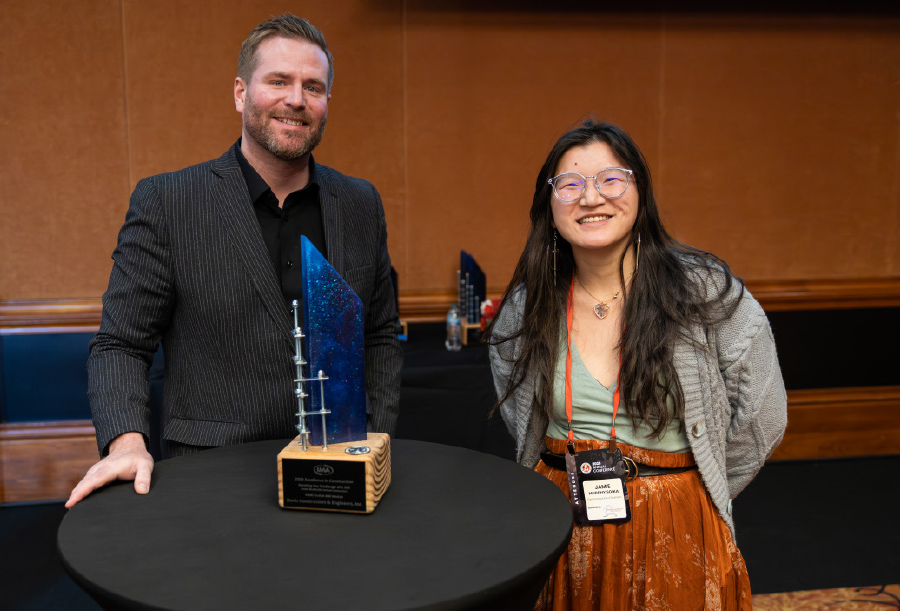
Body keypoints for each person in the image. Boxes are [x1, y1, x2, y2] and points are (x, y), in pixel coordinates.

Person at [66, 14, 402, 508]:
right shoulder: (169, 201)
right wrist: (126, 441)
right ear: (242, 93)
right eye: (279, 81)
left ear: (327, 102)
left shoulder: (360, 203)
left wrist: (378, 439)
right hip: (210, 478)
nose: (297, 99)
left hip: (338, 473)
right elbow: (121, 344)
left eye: (314, 86)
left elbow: (379, 335)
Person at [487, 121, 787, 609]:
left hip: (678, 525)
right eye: (570, 184)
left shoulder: (705, 292)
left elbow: (764, 416)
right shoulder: (527, 307)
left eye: (610, 179)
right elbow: (522, 420)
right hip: (563, 523)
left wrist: (691, 489)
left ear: (639, 191)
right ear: (550, 205)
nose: (591, 197)